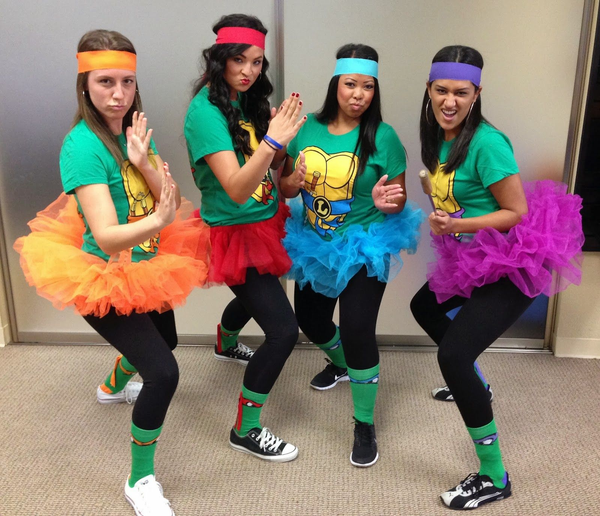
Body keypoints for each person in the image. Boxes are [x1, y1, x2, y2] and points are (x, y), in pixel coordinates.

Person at [14, 30, 210, 516]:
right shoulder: (81, 147)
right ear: (85, 84)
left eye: (127, 82)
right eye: (105, 82)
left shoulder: (134, 131)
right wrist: (160, 221)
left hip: (147, 264)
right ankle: (140, 481)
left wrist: (144, 162)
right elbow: (104, 235)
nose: (118, 95)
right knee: (164, 373)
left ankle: (110, 386)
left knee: (167, 344)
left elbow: (168, 190)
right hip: (101, 273)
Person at [409, 45, 583, 510]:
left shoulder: (486, 142)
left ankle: (493, 476)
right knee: (423, 307)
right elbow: (450, 192)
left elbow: (516, 212)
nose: (450, 101)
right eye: (441, 90)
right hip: (472, 254)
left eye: (461, 93)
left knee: (454, 355)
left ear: (477, 93)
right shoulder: (439, 134)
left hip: (512, 259)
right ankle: (476, 383)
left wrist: (456, 225)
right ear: (428, 90)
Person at [280, 44, 423, 467]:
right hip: (314, 241)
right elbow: (285, 187)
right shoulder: (307, 130)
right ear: (336, 85)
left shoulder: (384, 137)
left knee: (358, 328)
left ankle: (364, 422)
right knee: (309, 320)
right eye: (350, 85)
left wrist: (384, 201)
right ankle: (341, 364)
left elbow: (398, 200)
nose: (358, 94)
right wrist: (295, 179)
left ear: (375, 90)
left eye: (367, 87)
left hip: (364, 243)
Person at [184, 14, 306, 462]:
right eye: (239, 60)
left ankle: (224, 338)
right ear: (218, 60)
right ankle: (245, 429)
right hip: (236, 229)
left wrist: (287, 162)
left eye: (256, 61)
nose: (249, 71)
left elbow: (270, 168)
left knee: (264, 290)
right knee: (282, 331)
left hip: (265, 218)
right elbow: (236, 188)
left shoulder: (244, 99)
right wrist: (273, 142)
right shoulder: (205, 112)